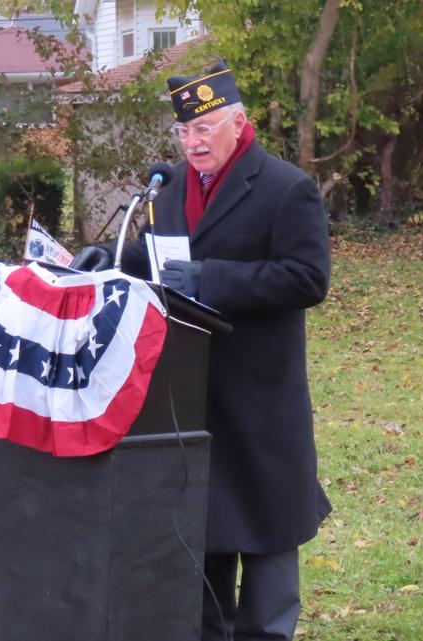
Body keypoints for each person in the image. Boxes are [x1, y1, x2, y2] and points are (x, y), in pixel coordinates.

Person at [119, 61, 332, 641]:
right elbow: (153, 260)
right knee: (202, 534)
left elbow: (308, 278)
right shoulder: (170, 191)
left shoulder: (288, 189)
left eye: (205, 129)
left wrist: (212, 279)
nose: (193, 142)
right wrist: (104, 263)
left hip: (261, 397)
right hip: (191, 394)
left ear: (240, 123)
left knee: (266, 540)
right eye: (185, 132)